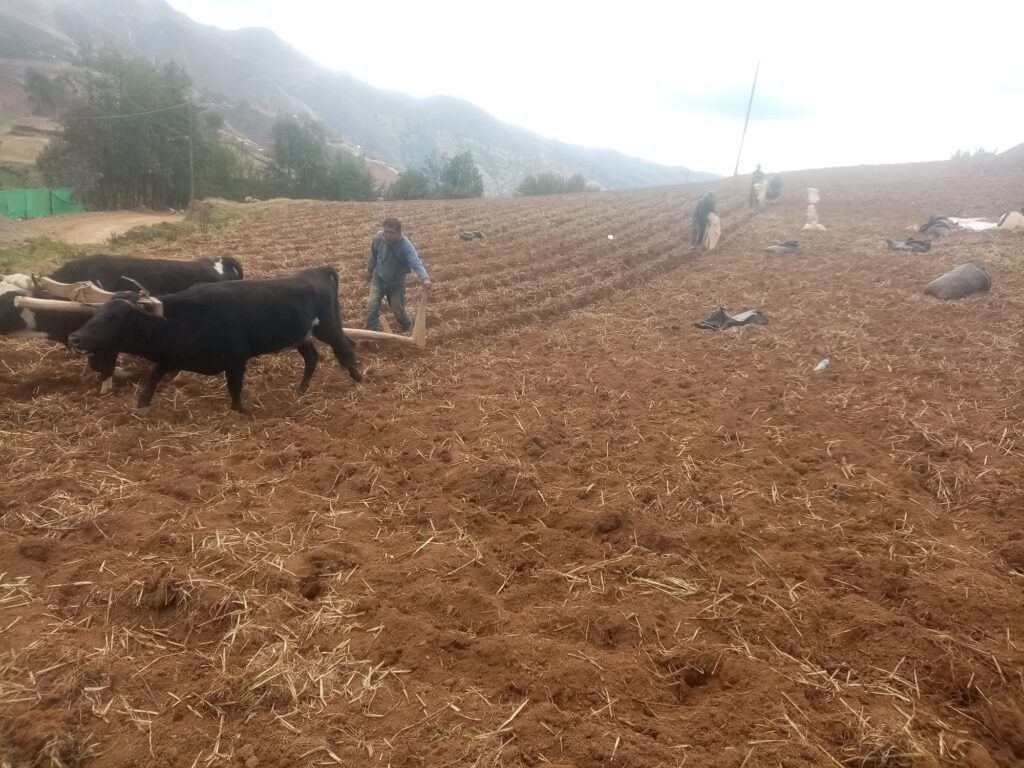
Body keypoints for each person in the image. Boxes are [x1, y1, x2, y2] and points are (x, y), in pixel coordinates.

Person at [365, 217, 431, 332]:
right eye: (386, 231)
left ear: (399, 233)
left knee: (397, 310)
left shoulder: (406, 246)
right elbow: (373, 255)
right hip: (378, 278)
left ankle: (407, 328)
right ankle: (370, 333)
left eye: (391, 233)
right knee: (372, 306)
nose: (387, 235)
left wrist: (425, 278)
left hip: (396, 284)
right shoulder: (378, 238)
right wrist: (369, 271)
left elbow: (415, 262)